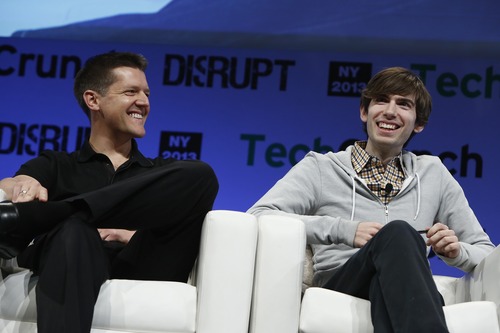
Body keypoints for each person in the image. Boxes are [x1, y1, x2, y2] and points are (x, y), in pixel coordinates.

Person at [247, 67, 495, 332]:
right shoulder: (321, 168)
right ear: (365, 112)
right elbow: (259, 215)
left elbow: (487, 253)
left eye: (403, 104)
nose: (390, 111)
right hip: (342, 282)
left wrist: (456, 252)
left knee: (386, 278)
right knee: (399, 232)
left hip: (400, 286)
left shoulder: (433, 174)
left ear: (418, 123)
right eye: (381, 100)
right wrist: (344, 230)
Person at [0, 51, 219, 333]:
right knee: (74, 231)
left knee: (201, 175)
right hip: (70, 258)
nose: (144, 101)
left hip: (144, 262)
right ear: (94, 100)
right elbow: (13, 184)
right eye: (131, 92)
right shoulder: (57, 164)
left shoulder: (161, 172)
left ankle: (62, 212)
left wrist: (131, 235)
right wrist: (18, 183)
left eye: (147, 93)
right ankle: (71, 218)